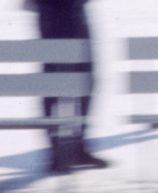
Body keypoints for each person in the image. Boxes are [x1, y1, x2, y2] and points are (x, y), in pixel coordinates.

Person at [30, 0, 107, 173]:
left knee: (82, 80)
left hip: (69, 10)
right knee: (56, 83)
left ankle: (72, 149)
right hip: (55, 11)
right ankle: (59, 152)